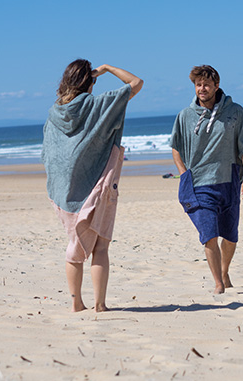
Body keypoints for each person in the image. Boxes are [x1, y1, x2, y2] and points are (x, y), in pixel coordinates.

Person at [42, 59, 143, 312]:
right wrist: (107, 68)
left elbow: (49, 151)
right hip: (98, 183)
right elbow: (136, 83)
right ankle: (99, 305)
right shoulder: (97, 104)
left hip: (65, 189)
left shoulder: (55, 112)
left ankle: (77, 303)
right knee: (101, 246)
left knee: (74, 246)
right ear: (90, 81)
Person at [170, 65, 243, 294]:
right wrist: (184, 172)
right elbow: (175, 147)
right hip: (198, 183)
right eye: (198, 85)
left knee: (230, 236)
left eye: (206, 84)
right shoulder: (185, 116)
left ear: (216, 86)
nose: (202, 89)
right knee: (209, 235)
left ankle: (224, 271)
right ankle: (218, 283)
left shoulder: (235, 112)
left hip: (229, 180)